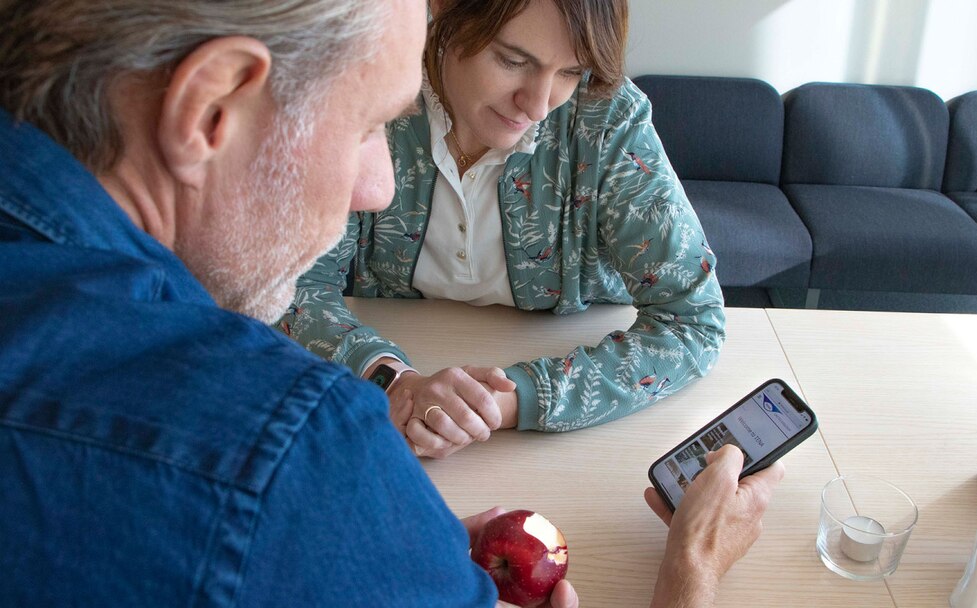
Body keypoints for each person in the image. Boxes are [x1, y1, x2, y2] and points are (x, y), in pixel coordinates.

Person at [0, 0, 782, 606]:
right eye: (370, 124)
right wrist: (693, 571)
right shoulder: (294, 445)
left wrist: (383, 536)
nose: (378, 190)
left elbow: (690, 312)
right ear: (209, 109)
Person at [280, 0, 726, 458]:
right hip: (380, 412)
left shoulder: (607, 120)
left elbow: (693, 321)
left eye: (571, 72)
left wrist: (504, 401)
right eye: (513, 61)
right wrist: (389, 379)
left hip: (557, 424)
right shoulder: (369, 87)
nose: (537, 104)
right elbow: (290, 287)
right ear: (444, 11)